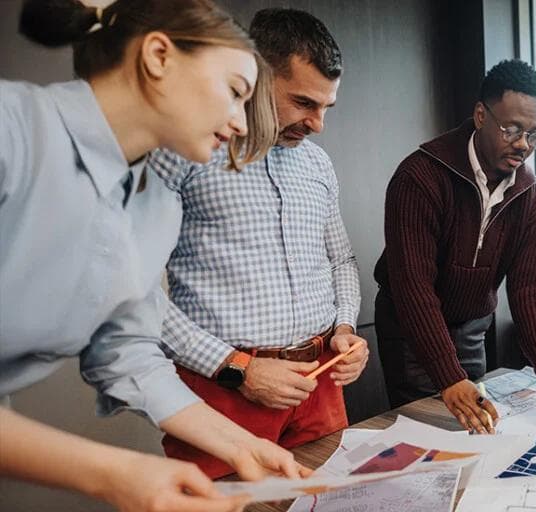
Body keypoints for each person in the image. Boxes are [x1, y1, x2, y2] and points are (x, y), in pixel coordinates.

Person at [0, 1, 309, 510]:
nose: (240, 123)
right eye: (235, 92)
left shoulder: (157, 206)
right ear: (159, 56)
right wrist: (112, 474)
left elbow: (127, 352)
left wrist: (242, 444)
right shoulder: (13, 131)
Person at [151, 8, 369, 479]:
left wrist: (346, 327)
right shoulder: (184, 152)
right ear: (254, 74)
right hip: (222, 392)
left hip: (319, 384)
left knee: (328, 502)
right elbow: (137, 292)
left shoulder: (317, 164)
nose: (317, 123)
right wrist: (237, 369)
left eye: (326, 107)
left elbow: (341, 260)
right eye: (303, 102)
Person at [374, 59, 536, 434]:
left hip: (471, 329)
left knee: (475, 428)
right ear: (481, 115)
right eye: (512, 129)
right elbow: (412, 285)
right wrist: (449, 376)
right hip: (410, 331)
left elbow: (529, 288)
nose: (523, 144)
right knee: (422, 433)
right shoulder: (420, 177)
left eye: (534, 134)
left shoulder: (531, 201)